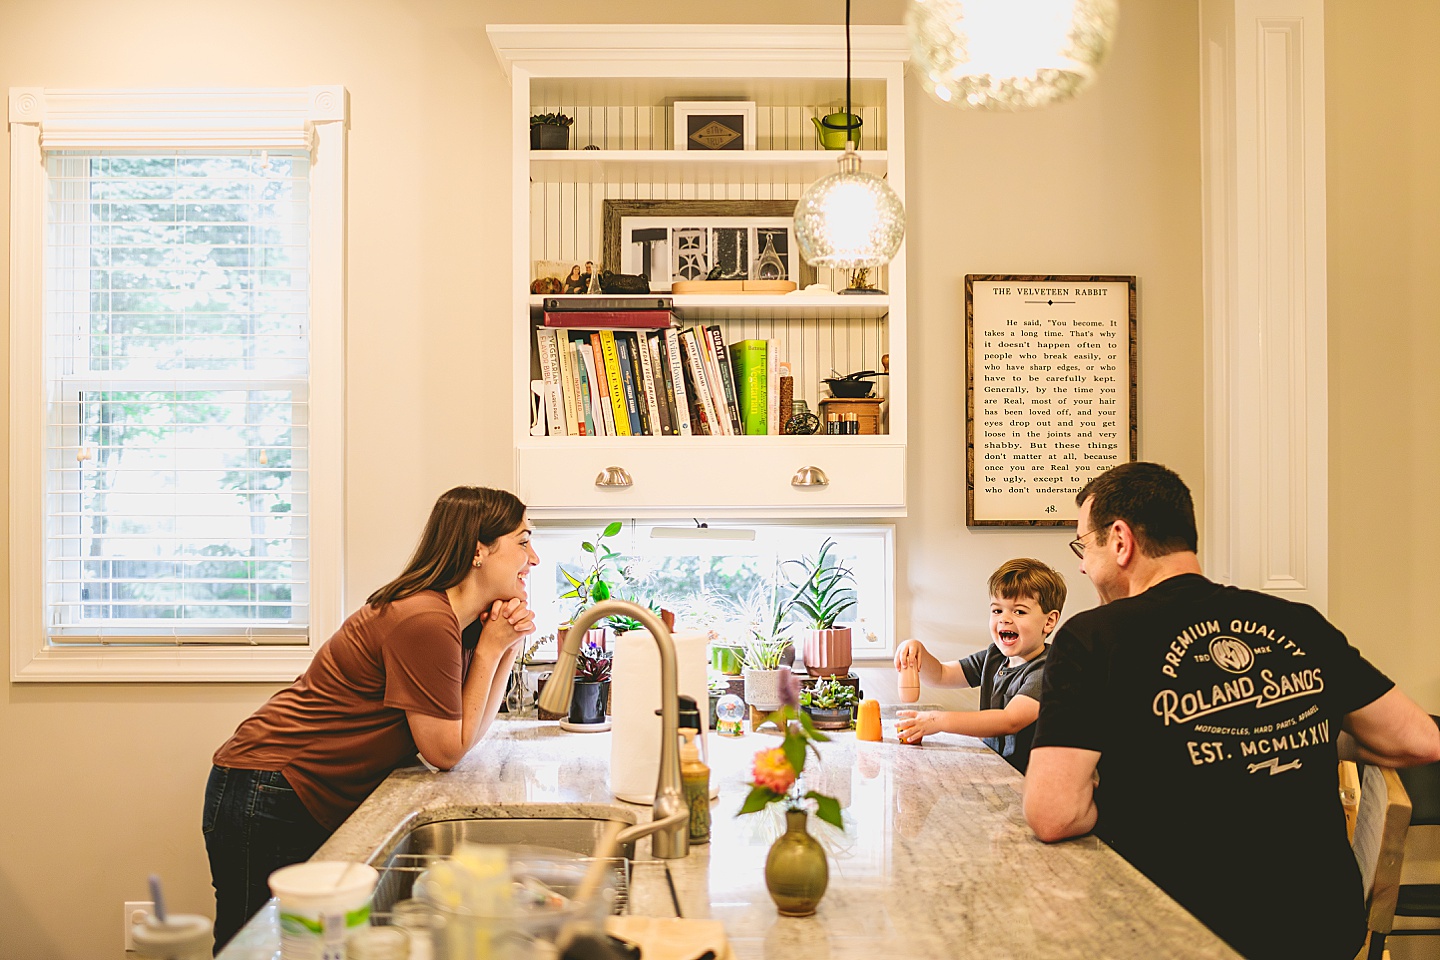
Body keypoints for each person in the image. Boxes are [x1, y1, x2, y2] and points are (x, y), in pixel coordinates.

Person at [1024, 461, 1440, 960]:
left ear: (1120, 540)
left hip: (1176, 931)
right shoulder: (1297, 622)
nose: (1081, 566)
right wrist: (1295, 723)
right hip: (1322, 928)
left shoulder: (1092, 637)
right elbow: (1419, 739)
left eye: (1082, 547)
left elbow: (1052, 814)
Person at [203, 486, 538, 951]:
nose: (534, 557)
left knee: (292, 945)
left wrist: (503, 646)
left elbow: (465, 734)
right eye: (523, 541)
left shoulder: (451, 621)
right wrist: (491, 649)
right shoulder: (424, 619)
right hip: (268, 783)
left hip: (283, 785)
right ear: (478, 549)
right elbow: (444, 752)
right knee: (254, 945)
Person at [893, 558, 1067, 772]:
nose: (1005, 619)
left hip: (1032, 782)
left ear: (1049, 621)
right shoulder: (993, 658)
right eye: (997, 610)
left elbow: (1009, 720)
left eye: (1019, 611)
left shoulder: (1048, 671)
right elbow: (940, 675)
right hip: (998, 772)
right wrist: (916, 651)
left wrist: (937, 720)